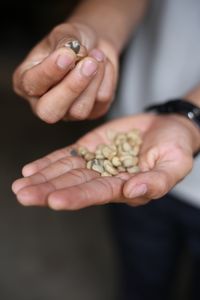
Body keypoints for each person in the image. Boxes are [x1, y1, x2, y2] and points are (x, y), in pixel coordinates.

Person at [12, 0, 200, 299]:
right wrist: (92, 32)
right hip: (137, 131)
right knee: (139, 278)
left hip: (170, 138)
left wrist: (189, 117)